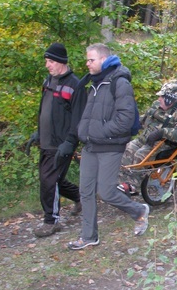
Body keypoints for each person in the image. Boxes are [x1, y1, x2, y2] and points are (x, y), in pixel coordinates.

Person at [69, 43, 150, 250]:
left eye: (91, 60)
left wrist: (98, 132)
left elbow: (125, 119)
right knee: (85, 192)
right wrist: (82, 132)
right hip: (90, 146)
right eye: (87, 59)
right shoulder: (95, 83)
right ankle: (89, 236)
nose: (87, 63)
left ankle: (139, 210)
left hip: (110, 147)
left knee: (106, 192)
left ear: (104, 60)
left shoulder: (120, 83)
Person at [25, 43, 83, 238]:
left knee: (49, 180)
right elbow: (45, 110)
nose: (47, 65)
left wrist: (70, 142)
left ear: (61, 62)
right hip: (46, 141)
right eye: (46, 61)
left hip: (61, 144)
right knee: (51, 179)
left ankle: (51, 221)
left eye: (50, 61)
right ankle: (79, 197)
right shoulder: (48, 81)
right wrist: (38, 133)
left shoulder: (75, 85)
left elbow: (78, 118)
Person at [118, 82, 177, 195]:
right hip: (145, 138)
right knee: (128, 148)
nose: (159, 99)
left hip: (163, 143)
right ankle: (121, 181)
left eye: (162, 96)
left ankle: (132, 185)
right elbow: (145, 118)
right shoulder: (157, 105)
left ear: (171, 98)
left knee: (141, 155)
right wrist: (131, 125)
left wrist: (162, 132)